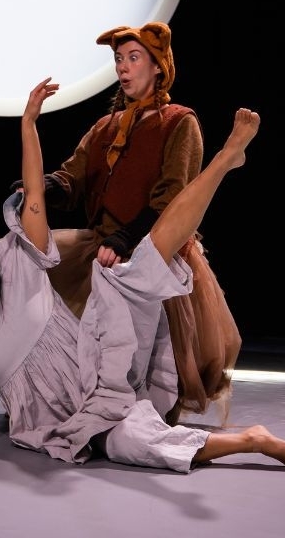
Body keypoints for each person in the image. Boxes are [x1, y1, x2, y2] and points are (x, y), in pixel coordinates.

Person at [0, 78, 285, 474]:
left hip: (104, 362)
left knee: (136, 267)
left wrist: (28, 124)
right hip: (64, 417)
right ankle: (252, 440)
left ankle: (225, 159)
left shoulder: (18, 259)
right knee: (126, 442)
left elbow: (33, 196)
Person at [14, 22, 241, 426]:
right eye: (119, 59)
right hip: (104, 249)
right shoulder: (104, 127)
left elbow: (175, 196)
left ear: (158, 67)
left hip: (154, 251)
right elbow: (73, 178)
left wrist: (126, 235)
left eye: (134, 57)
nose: (123, 66)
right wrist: (43, 187)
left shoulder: (178, 122)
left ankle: (150, 420)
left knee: (158, 362)